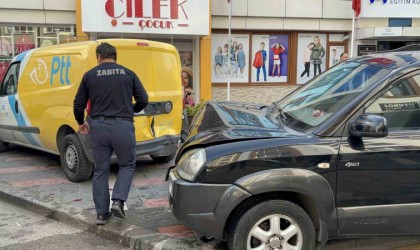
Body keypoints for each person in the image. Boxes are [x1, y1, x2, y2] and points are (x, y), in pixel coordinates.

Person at [73, 42, 148, 225]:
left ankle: (101, 214)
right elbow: (144, 99)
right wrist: (131, 109)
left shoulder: (89, 75)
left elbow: (78, 104)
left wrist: (81, 122)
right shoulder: (128, 73)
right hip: (123, 126)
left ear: (98, 57)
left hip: (98, 127)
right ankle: (118, 200)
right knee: (127, 164)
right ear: (115, 57)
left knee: (100, 170)